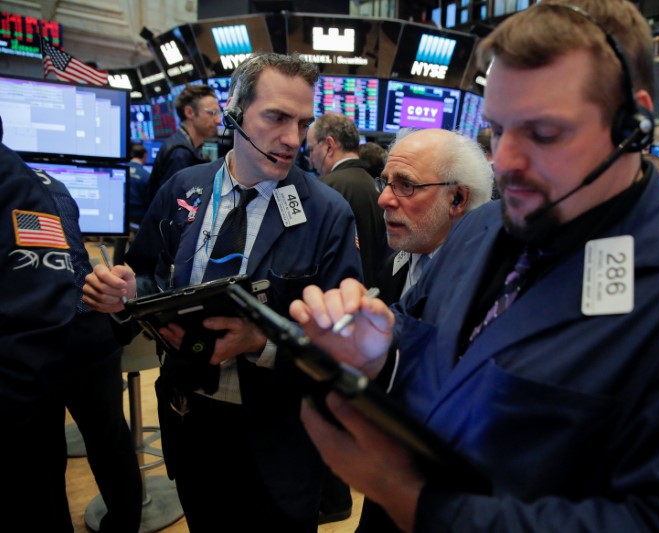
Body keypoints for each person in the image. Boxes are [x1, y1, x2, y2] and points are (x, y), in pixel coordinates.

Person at [289, 2, 659, 532]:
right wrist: (379, 357)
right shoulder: (479, 229)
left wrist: (416, 501)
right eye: (498, 130)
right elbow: (442, 366)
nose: (506, 160)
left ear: (634, 122)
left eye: (545, 132)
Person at [83, 53, 362, 532]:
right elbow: (149, 275)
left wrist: (262, 342)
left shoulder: (327, 213)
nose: (293, 138)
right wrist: (126, 294)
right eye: (276, 118)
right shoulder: (183, 189)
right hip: (192, 423)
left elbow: (345, 342)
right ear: (235, 110)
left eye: (302, 122)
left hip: (280, 437)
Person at [1, 129, 141, 530]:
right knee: (111, 443)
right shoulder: (53, 184)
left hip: (31, 346)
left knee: (42, 461)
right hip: (90, 330)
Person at [375, 128, 493, 304]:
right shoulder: (393, 265)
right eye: (386, 182)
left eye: (407, 185)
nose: (383, 199)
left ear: (457, 199)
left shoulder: (486, 286)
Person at [307, 114, 389, 288]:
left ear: (329, 146)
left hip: (336, 296)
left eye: (311, 150)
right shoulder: (377, 187)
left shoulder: (323, 188)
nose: (310, 158)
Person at [147, 84, 221, 201]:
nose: (218, 120)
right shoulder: (180, 154)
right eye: (212, 113)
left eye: (218, 113)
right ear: (189, 112)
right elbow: (176, 206)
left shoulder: (185, 146)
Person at [128, 143, 151, 225]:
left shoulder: (120, 171)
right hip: (138, 218)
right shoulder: (146, 175)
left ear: (131, 154)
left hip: (121, 215)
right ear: (145, 155)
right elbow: (149, 200)